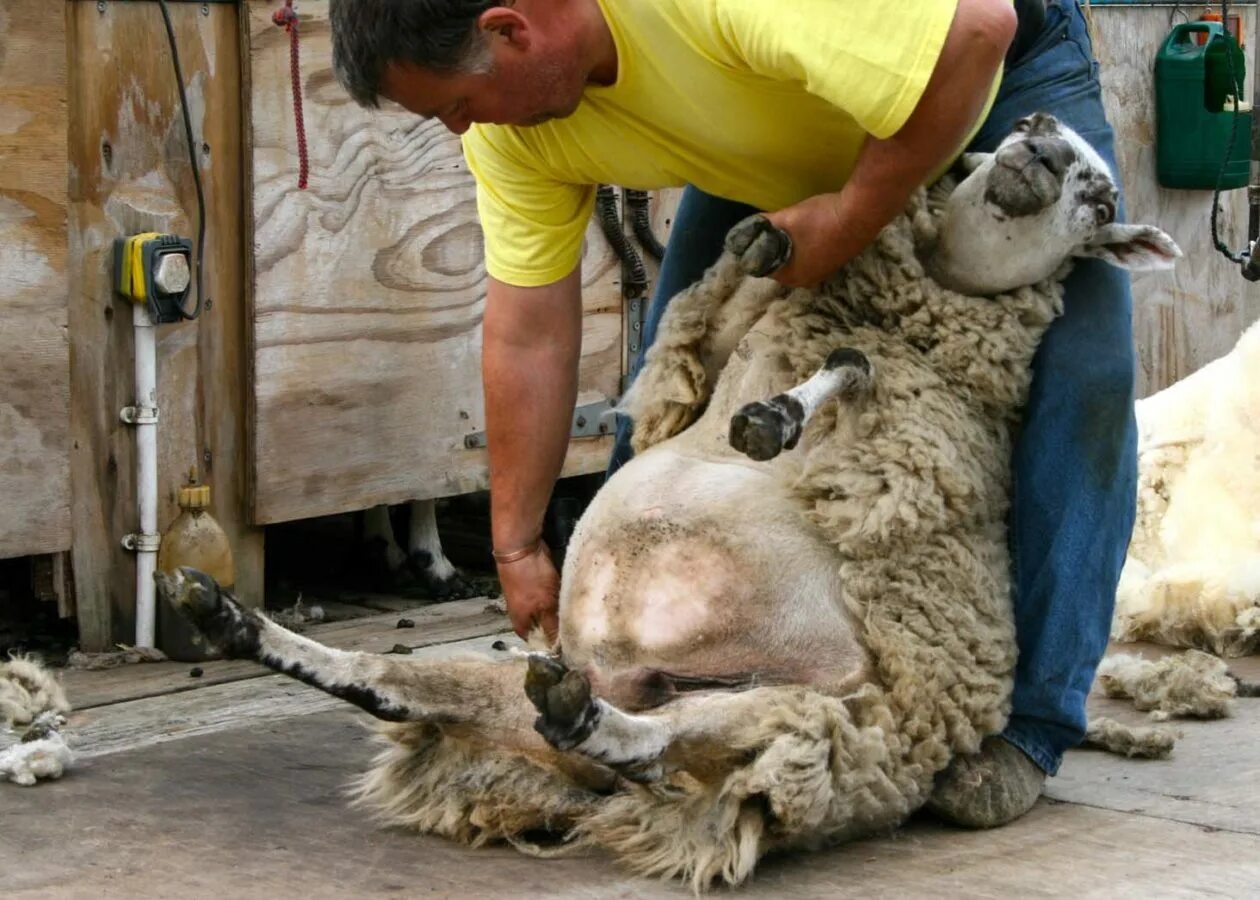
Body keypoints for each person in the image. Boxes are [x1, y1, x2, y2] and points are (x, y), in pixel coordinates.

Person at [329, 0, 1137, 829]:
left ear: (508, 29)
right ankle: (615, 655)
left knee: (1087, 372)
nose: (463, 131)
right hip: (777, 106)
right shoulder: (514, 131)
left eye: (457, 105)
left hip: (985, 77)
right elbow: (529, 330)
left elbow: (976, 31)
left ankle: (1036, 723)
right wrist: (516, 542)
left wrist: (848, 215)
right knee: (678, 367)